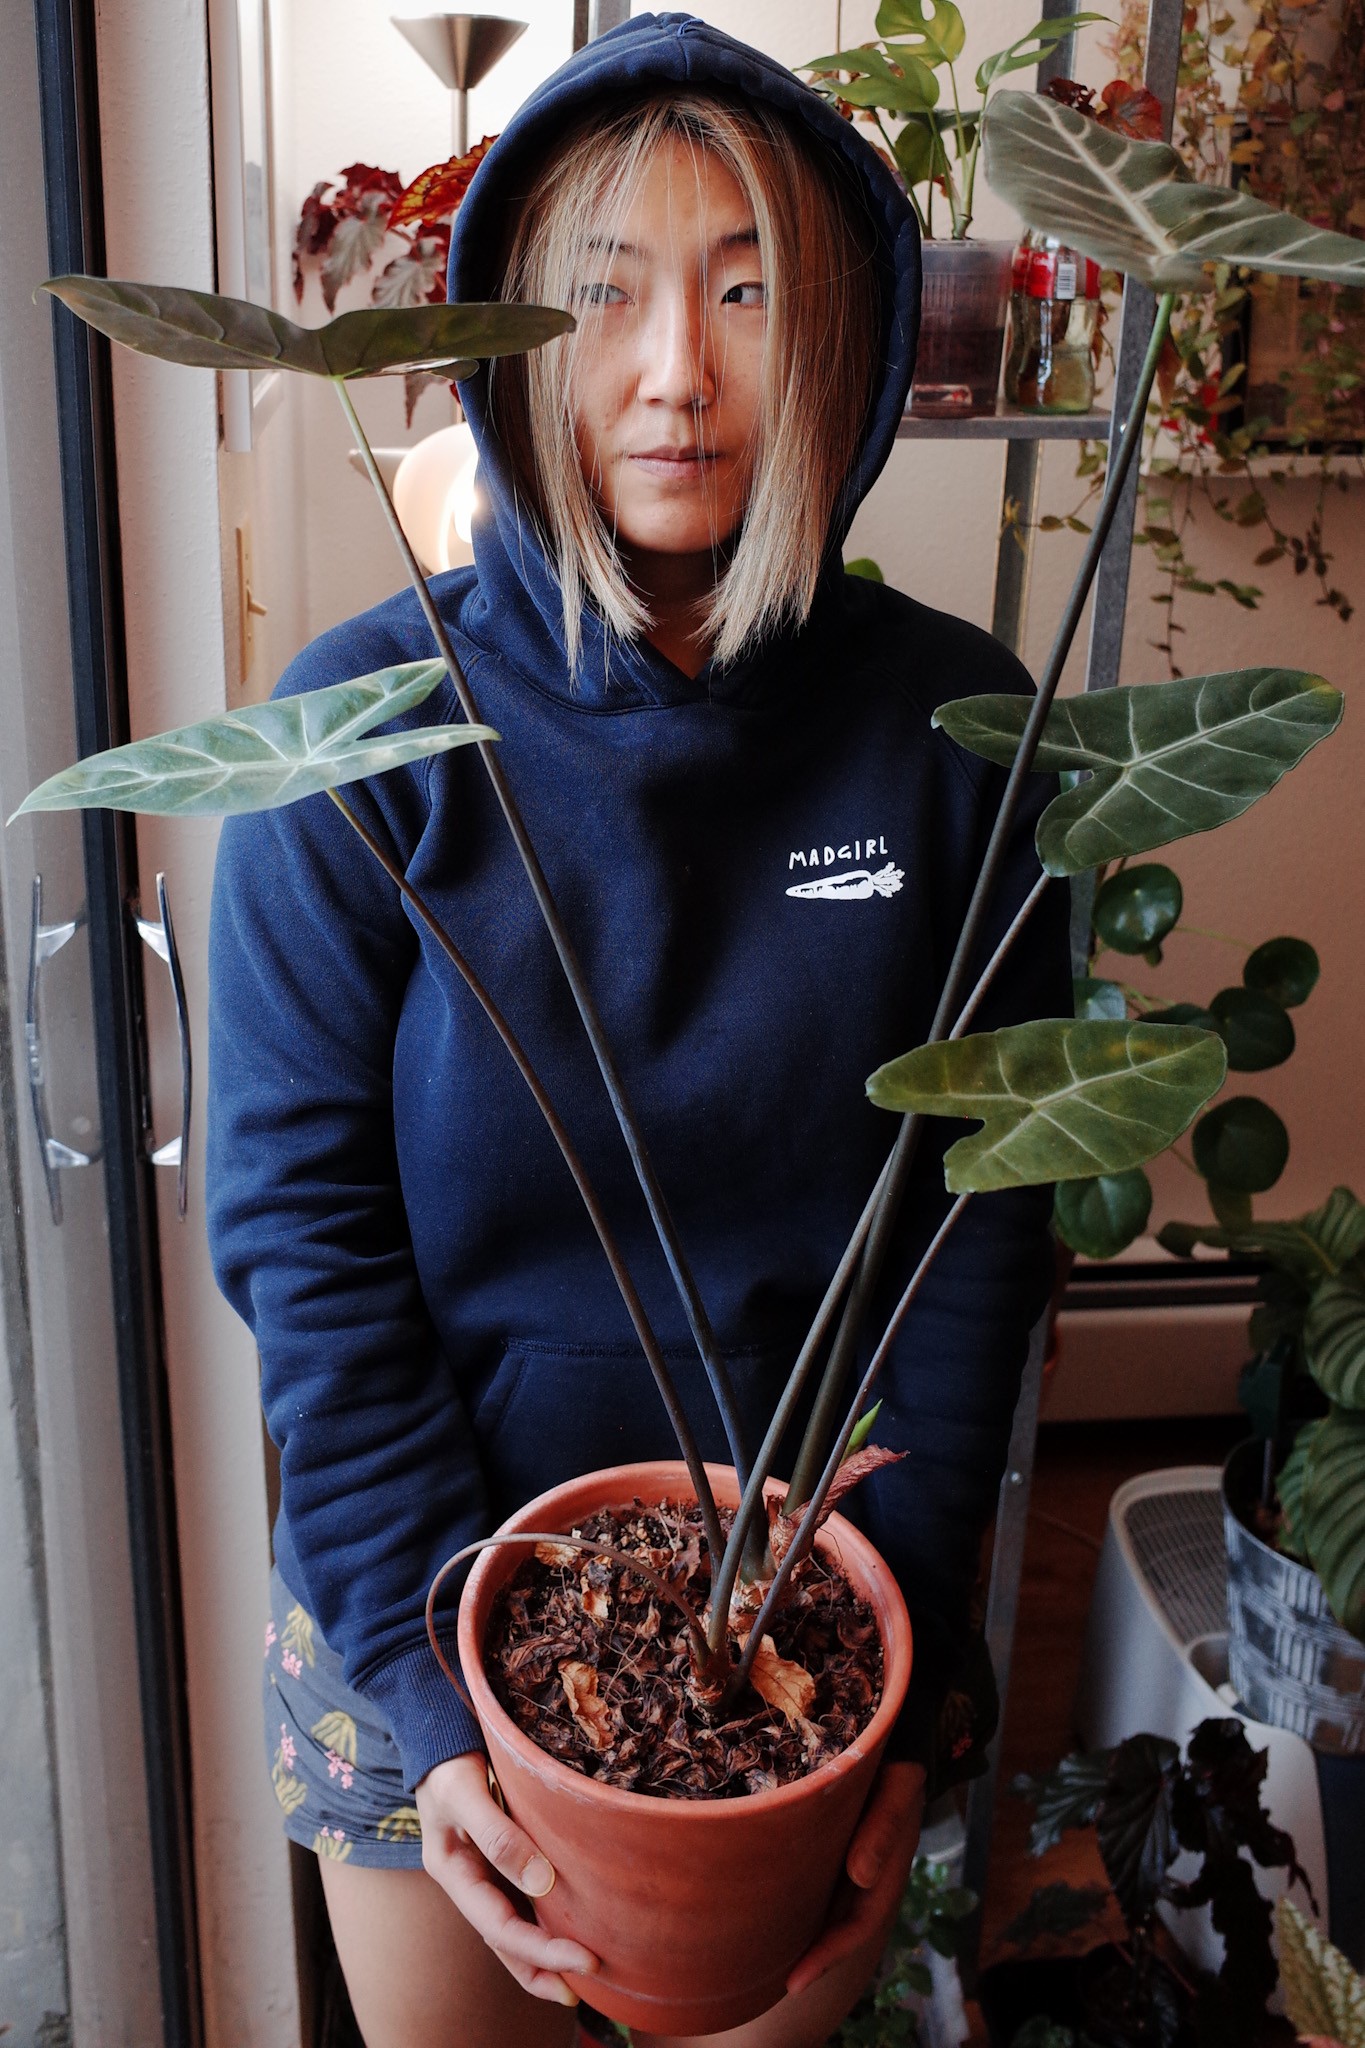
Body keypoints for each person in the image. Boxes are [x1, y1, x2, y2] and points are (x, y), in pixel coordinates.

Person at [208, 15, 1070, 2048]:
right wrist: (438, 1719)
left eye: (747, 292)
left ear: (843, 338)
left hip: (809, 1619)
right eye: (601, 298)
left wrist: (901, 1687)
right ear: (516, 344)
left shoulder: (962, 746)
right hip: (415, 1574)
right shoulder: (368, 744)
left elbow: (974, 1242)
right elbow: (307, 1256)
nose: (676, 369)